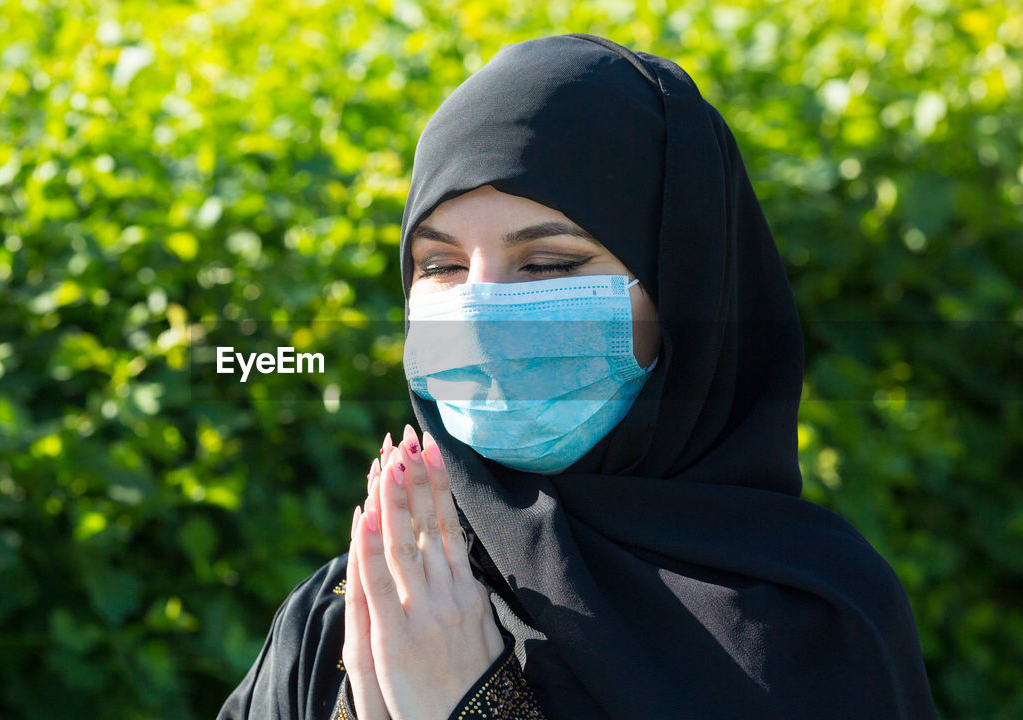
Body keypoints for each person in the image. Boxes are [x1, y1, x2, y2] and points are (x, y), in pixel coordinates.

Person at [217, 33, 939, 719]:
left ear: (686, 294)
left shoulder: (817, 625)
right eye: (440, 266)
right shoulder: (363, 607)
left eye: (550, 265)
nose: (479, 310)